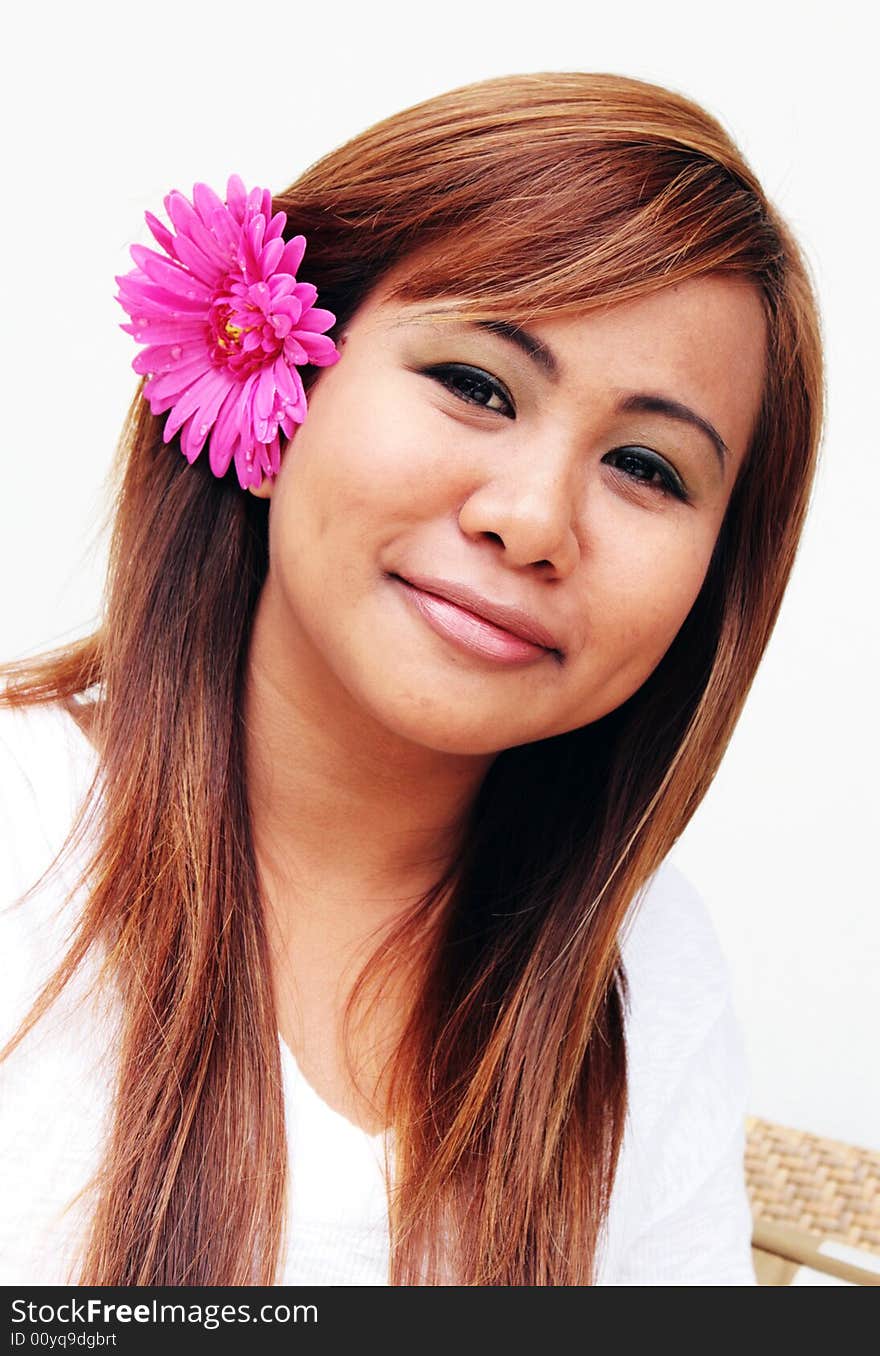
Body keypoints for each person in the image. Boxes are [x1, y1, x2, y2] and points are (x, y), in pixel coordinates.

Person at [0, 70, 823, 1286]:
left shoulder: (646, 968)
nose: (532, 520)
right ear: (273, 384)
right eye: (476, 385)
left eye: (646, 467)